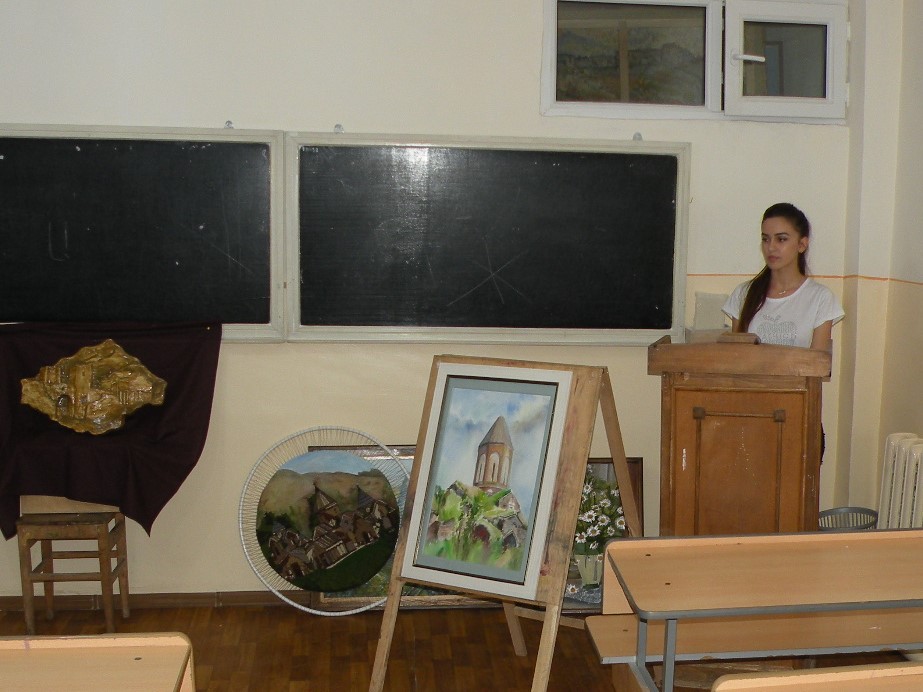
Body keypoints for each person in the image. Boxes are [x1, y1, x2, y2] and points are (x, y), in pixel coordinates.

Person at [722, 202, 844, 350]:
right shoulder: (743, 294)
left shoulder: (820, 298)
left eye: (781, 239)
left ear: (802, 244)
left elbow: (817, 360)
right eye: (765, 239)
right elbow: (736, 356)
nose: (771, 247)